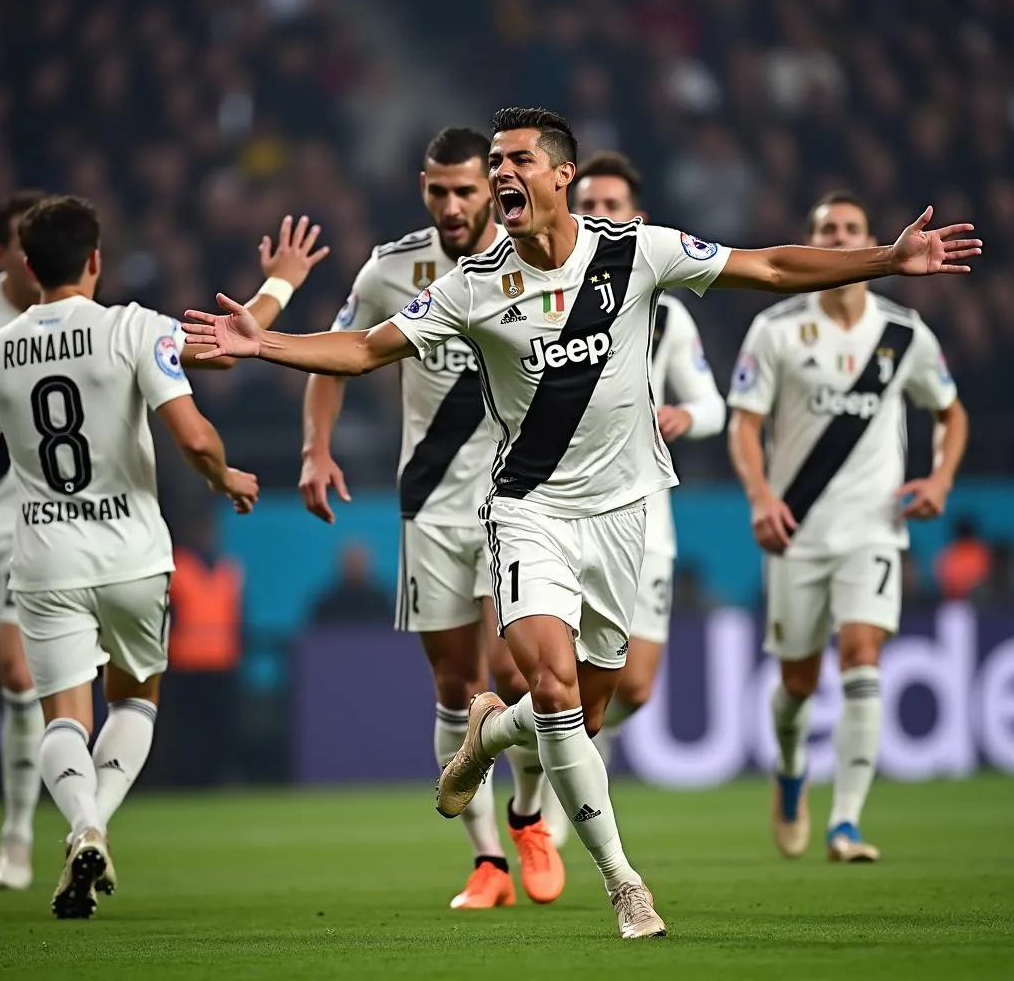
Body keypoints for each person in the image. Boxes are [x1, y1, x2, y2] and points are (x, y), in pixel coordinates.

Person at [182, 108, 981, 938]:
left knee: (586, 711)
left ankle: (492, 731)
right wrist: (265, 343)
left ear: (561, 175)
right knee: (557, 690)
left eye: (517, 161)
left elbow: (772, 266)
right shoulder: (472, 285)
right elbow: (363, 351)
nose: (500, 176)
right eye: (495, 162)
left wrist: (886, 259)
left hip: (623, 516)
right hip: (528, 512)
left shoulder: (635, 253)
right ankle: (624, 882)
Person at [0, 196, 326, 919]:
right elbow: (220, 359)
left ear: (26, 266)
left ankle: (80, 821)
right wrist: (223, 476)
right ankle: (94, 823)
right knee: (136, 696)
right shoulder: (132, 329)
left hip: (44, 558)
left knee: (61, 719)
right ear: (96, 261)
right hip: (133, 557)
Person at [298, 127, 562, 910]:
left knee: (519, 675)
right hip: (431, 505)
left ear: (493, 188)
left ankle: (529, 816)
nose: (450, 206)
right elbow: (337, 352)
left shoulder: (534, 260)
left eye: (464, 192)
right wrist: (317, 448)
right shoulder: (391, 267)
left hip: (516, 500)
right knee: (455, 686)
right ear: (423, 186)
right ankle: (488, 864)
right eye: (436, 192)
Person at [726, 191, 970, 863]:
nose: (839, 236)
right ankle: (788, 765)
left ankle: (847, 823)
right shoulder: (777, 329)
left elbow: (950, 412)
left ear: (874, 239)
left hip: (874, 527)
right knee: (798, 683)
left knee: (863, 656)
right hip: (797, 529)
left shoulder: (903, 334)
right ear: (811, 240)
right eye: (827, 229)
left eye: (852, 229)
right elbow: (744, 424)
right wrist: (760, 496)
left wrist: (942, 477)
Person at [540, 151, 726, 846]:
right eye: (588, 205)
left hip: (644, 519)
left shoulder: (665, 312)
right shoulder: (540, 298)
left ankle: (539, 739)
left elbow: (713, 404)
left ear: (637, 221)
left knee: (631, 689)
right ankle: (555, 791)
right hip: (558, 513)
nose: (599, 215)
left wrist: (685, 416)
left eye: (613, 206)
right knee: (566, 677)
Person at [0, 190, 47, 890]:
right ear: (1, 252)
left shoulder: (70, 315)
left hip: (19, 522)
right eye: (21, 246)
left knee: (17, 674)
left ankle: (18, 839)